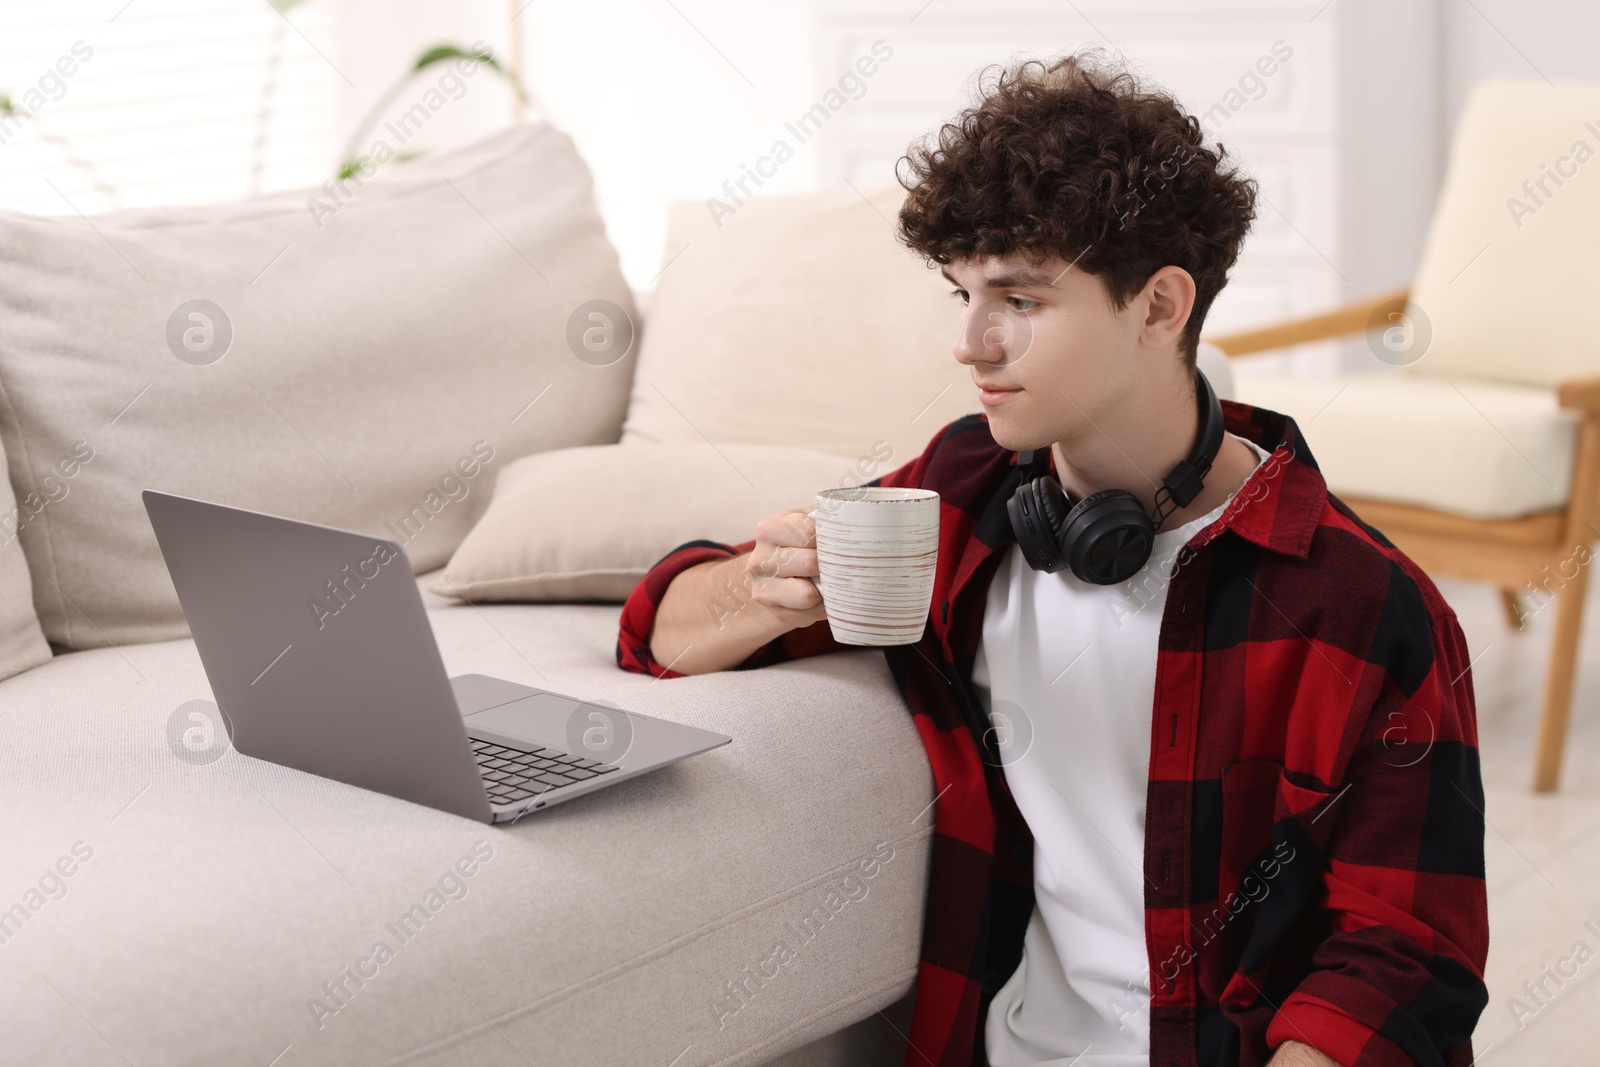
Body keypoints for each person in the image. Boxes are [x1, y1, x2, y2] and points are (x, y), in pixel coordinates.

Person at [616, 49, 1488, 1067]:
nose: (971, 343)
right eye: (962, 294)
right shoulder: (968, 494)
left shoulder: (1363, 605)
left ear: (1160, 307)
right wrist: (757, 590)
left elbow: (1406, 953)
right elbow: (657, 633)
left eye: (1019, 301)